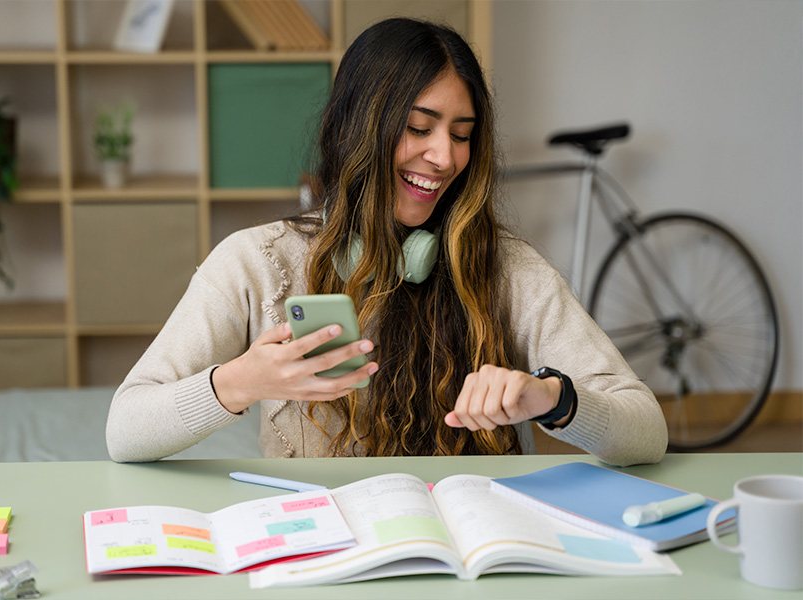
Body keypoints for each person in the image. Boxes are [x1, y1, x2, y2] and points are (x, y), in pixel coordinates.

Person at [106, 17, 667, 467]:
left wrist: (552, 398)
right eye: (419, 128)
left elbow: (646, 429)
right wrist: (237, 383)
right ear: (358, 125)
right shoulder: (255, 263)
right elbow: (125, 430)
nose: (445, 158)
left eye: (462, 135)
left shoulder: (508, 268)